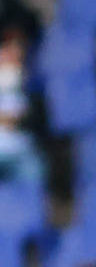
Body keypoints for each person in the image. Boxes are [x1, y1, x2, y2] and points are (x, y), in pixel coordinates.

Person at [0, 29, 42, 186]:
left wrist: (16, 119)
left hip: (22, 149)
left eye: (18, 48)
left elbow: (37, 116)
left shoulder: (31, 82)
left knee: (34, 172)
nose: (13, 53)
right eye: (7, 48)